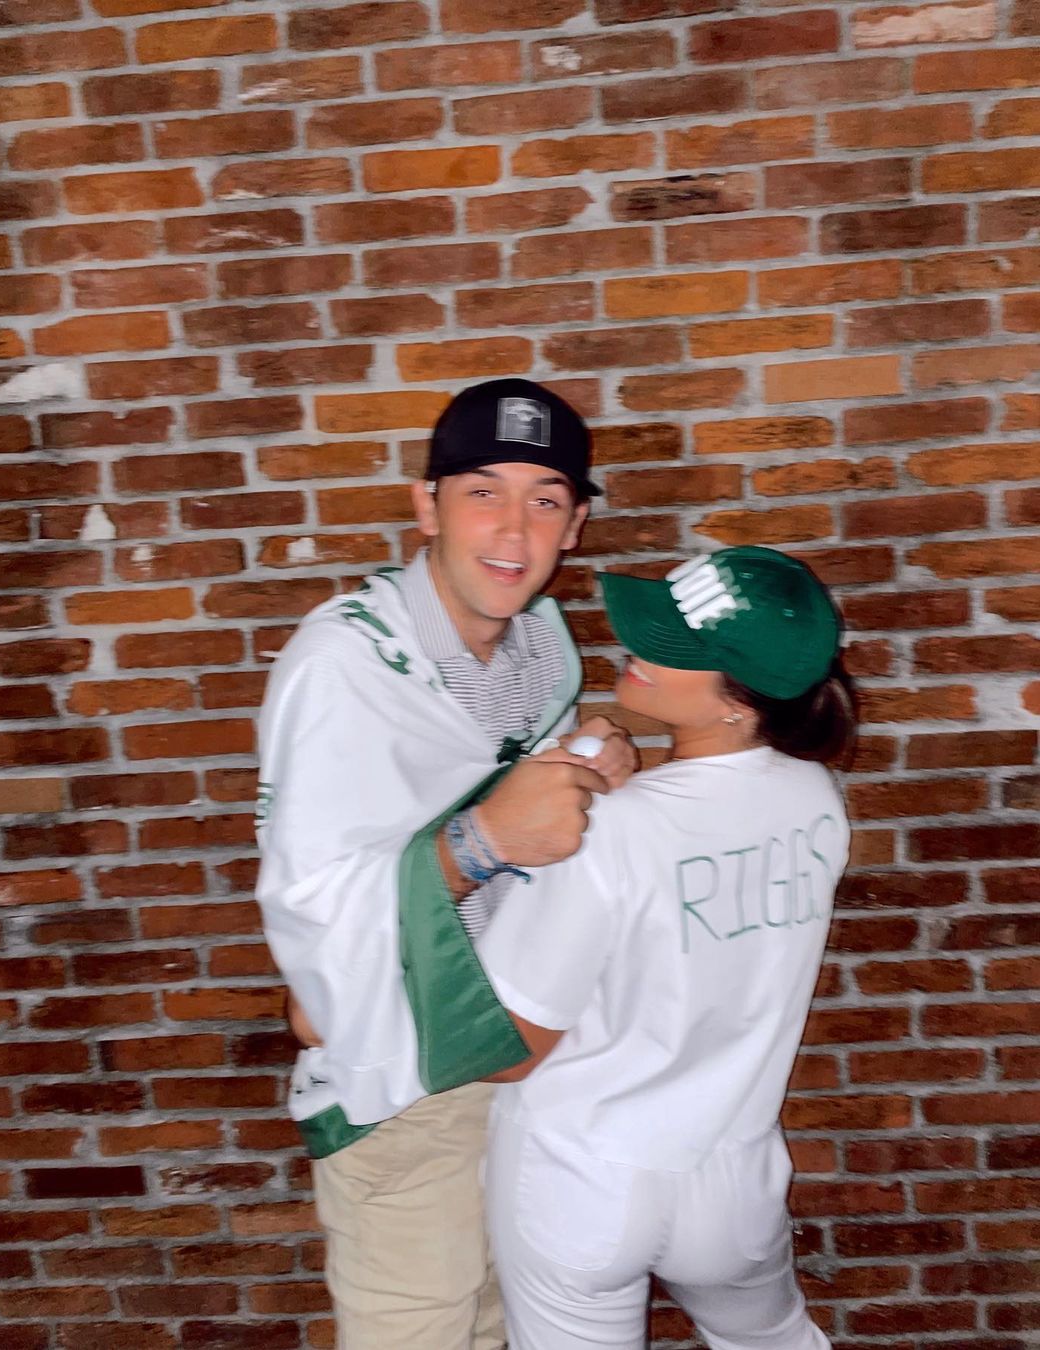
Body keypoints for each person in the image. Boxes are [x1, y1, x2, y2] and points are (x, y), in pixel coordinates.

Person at [255, 377, 636, 1350]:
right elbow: (313, 932)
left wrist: (601, 762)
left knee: (504, 1328)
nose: (512, 530)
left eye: (544, 500)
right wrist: (484, 841)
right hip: (404, 1087)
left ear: (575, 526)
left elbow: (528, 816)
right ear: (426, 506)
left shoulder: (542, 650)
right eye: (482, 492)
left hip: (522, 1063)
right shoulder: (343, 666)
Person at [474, 545, 856, 1350]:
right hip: (734, 1177)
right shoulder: (817, 799)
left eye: (673, 649)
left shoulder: (610, 827)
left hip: (581, 1176)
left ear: (741, 701)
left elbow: (507, 1048)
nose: (635, 650)